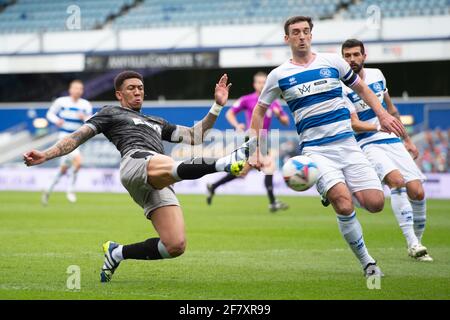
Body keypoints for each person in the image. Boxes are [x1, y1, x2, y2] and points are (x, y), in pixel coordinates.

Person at [24, 71, 249, 283]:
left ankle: (117, 252)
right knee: (168, 164)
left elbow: (195, 135)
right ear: (119, 94)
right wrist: (46, 154)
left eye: (140, 88)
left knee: (175, 245)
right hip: (135, 162)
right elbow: (76, 137)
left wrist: (217, 106)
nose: (138, 91)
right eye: (131, 88)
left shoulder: (156, 121)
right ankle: (224, 163)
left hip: (158, 174)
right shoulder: (110, 113)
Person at [248, 16, 407, 277]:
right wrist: (255, 149)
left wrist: (382, 115)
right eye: (296, 32)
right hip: (316, 151)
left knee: (375, 203)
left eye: (306, 31)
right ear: (286, 38)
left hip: (348, 145)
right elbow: (259, 112)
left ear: (312, 35)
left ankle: (333, 190)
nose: (302, 36)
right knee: (344, 205)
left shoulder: (333, 61)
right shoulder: (279, 75)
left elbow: (364, 90)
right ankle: (368, 263)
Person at [341, 39, 432, 261]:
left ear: (364, 56)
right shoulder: (341, 87)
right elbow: (353, 123)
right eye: (347, 56)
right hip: (367, 142)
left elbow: (391, 110)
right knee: (397, 182)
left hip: (391, 140)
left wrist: (407, 140)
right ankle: (412, 242)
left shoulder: (378, 75)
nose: (352, 59)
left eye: (355, 54)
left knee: (418, 192)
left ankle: (416, 242)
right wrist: (376, 126)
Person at [206, 72, 291, 212]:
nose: (262, 85)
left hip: (263, 139)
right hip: (252, 137)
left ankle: (213, 186)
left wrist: (279, 116)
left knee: (243, 171)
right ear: (254, 84)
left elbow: (286, 121)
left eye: (264, 82)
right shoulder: (248, 99)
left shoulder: (273, 101)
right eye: (259, 82)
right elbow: (230, 113)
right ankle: (273, 202)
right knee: (269, 167)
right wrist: (236, 125)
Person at [42, 80, 93, 205]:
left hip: (77, 138)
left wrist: (84, 118)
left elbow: (91, 120)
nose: (77, 90)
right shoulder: (61, 101)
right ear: (70, 90)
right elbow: (50, 113)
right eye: (75, 88)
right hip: (64, 136)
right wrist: (56, 120)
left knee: (63, 169)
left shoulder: (85, 104)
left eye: (80, 88)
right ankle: (70, 189)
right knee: (78, 161)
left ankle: (48, 189)